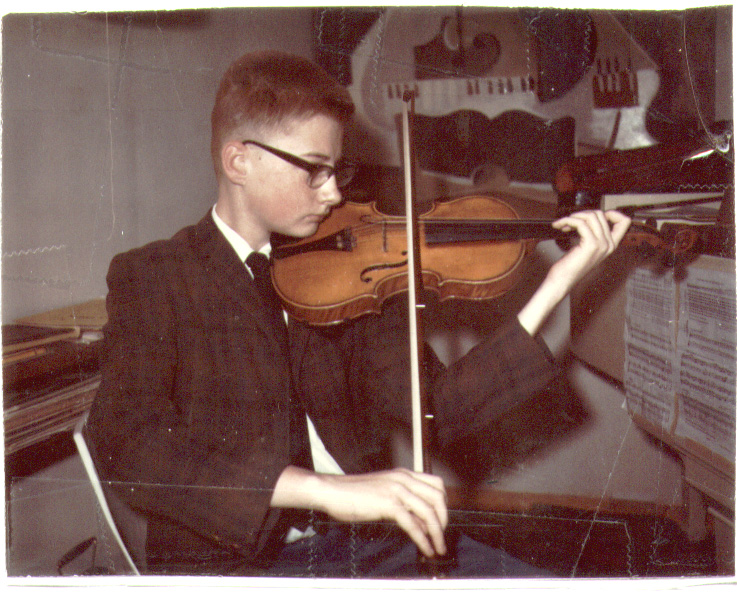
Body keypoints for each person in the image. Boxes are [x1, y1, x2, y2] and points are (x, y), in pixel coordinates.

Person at [84, 50, 631, 577]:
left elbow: (441, 409)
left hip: (366, 549)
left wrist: (556, 286)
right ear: (239, 160)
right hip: (239, 564)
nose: (333, 192)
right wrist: (321, 489)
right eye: (314, 171)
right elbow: (129, 445)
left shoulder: (350, 263)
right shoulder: (155, 276)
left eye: (337, 171)